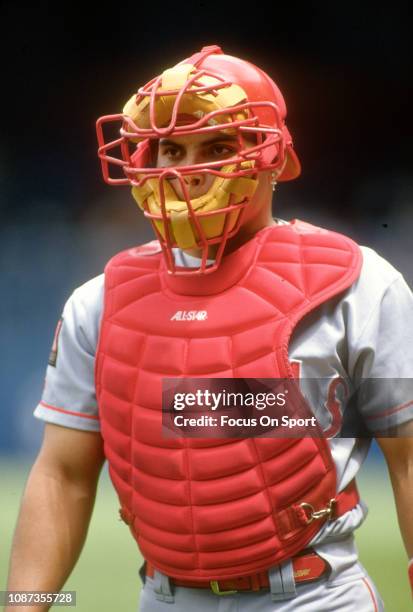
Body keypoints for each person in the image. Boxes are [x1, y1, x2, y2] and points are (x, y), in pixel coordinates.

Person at [6, 44, 413, 612]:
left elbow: (409, 458)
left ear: (271, 157)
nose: (186, 170)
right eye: (171, 148)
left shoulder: (359, 285)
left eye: (217, 146)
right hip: (163, 597)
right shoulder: (98, 302)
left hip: (314, 596)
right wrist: (24, 605)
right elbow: (62, 475)